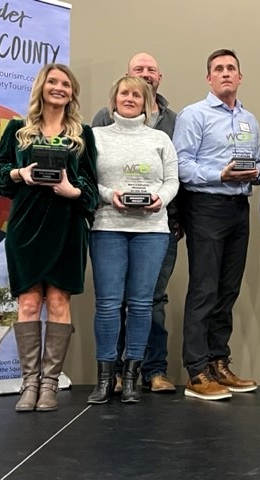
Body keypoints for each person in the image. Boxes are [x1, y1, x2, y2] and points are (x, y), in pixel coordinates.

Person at [0, 63, 98, 412]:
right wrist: (21, 173)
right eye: (53, 81)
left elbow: (92, 190)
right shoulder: (17, 130)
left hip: (66, 227)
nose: (59, 87)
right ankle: (29, 384)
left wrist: (72, 190)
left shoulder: (83, 134)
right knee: (28, 304)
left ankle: (49, 385)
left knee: (59, 303)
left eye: (66, 83)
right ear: (41, 87)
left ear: (72, 92)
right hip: (25, 227)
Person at [173, 49, 260, 401]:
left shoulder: (249, 119)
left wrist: (258, 173)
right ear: (209, 78)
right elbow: (182, 164)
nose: (225, 73)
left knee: (228, 290)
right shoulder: (194, 115)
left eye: (231, 69)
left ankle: (218, 362)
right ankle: (196, 371)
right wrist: (219, 174)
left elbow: (253, 161)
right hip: (206, 206)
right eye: (218, 69)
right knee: (205, 288)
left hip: (239, 207)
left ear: (240, 77)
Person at [92, 52, 181, 394]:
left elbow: (172, 180)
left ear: (147, 102)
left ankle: (131, 377)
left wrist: (162, 199)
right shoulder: (97, 136)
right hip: (108, 227)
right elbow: (87, 179)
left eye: (137, 95)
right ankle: (105, 379)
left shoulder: (161, 139)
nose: (130, 99)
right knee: (108, 304)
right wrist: (108, 195)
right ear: (114, 100)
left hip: (152, 230)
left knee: (143, 304)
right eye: (124, 94)